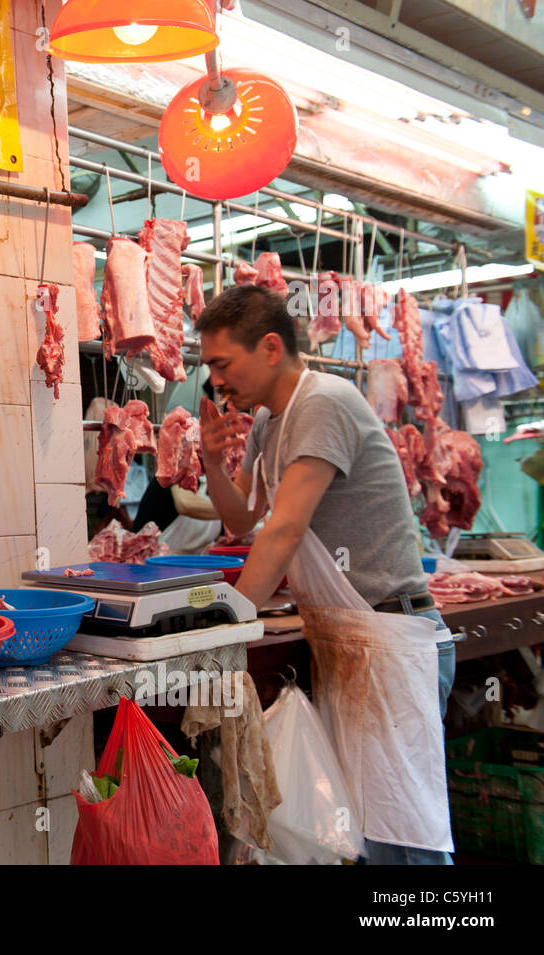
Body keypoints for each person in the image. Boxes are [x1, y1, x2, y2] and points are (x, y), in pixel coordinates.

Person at [195, 284, 456, 865]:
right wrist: (213, 461)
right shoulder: (268, 421)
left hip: (388, 639)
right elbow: (242, 517)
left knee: (402, 836)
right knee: (362, 830)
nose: (216, 379)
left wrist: (227, 625)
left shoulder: (323, 402)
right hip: (347, 643)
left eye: (221, 363)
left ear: (268, 347)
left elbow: (283, 531)